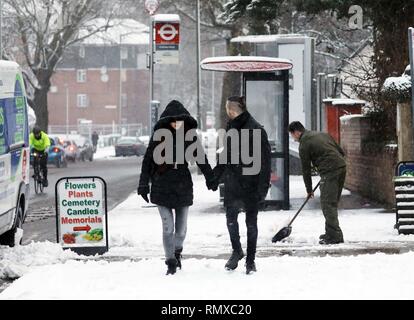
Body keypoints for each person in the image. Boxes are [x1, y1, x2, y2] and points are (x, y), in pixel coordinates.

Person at [137, 100, 217, 276]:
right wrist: (143, 185)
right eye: (173, 121)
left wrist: (210, 179)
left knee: (181, 231)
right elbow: (147, 161)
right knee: (168, 227)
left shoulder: (189, 136)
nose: (176, 124)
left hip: (182, 185)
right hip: (161, 184)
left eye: (179, 120)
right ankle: (170, 261)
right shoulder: (158, 136)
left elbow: (201, 159)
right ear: (166, 121)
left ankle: (177, 251)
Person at [212, 96, 271, 275]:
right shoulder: (232, 127)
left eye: (228, 109)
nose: (228, 113)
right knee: (231, 220)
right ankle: (237, 251)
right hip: (233, 183)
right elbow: (227, 156)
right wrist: (215, 177)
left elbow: (265, 162)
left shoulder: (255, 129)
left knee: (250, 223)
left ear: (233, 110)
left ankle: (250, 260)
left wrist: (263, 187)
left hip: (250, 185)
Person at [288, 121, 346, 245]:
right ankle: (330, 232)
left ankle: (335, 236)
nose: (294, 139)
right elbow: (340, 152)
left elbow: (306, 169)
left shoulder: (304, 144)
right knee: (331, 202)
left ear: (297, 132)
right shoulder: (322, 134)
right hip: (341, 167)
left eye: (292, 135)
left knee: (327, 203)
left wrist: (309, 190)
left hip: (330, 171)